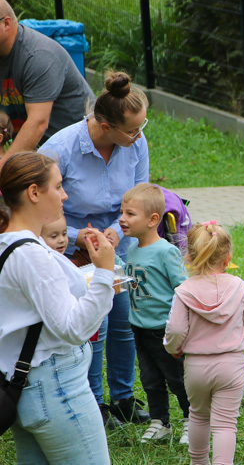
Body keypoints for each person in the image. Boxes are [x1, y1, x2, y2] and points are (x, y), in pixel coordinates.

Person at [38, 70, 150, 426]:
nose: (139, 135)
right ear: (104, 126)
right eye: (131, 130)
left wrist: (118, 231)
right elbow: (36, 209)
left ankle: (123, 399)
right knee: (93, 326)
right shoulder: (59, 149)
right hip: (70, 248)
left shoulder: (136, 143)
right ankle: (94, 403)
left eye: (141, 126)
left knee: (123, 320)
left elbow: (141, 196)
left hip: (117, 242)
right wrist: (76, 237)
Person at [0, 152, 116, 464]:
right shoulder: (32, 255)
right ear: (34, 192)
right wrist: (104, 273)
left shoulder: (9, 243)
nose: (64, 195)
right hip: (54, 387)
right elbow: (74, 328)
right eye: (59, 186)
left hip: (21, 384)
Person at [165, 221, 244, 465]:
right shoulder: (239, 287)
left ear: (190, 257)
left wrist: (173, 347)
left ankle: (199, 462)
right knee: (226, 423)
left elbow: (176, 329)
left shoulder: (184, 291)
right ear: (228, 257)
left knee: (198, 415)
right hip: (231, 365)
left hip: (196, 366)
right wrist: (238, 337)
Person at [122, 183, 191, 443]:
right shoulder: (131, 250)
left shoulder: (166, 251)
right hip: (139, 328)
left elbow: (183, 289)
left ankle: (191, 419)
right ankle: (160, 422)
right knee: (150, 380)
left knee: (177, 379)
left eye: (130, 214)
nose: (122, 219)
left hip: (163, 330)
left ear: (153, 220)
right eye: (122, 212)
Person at [0, 0, 95, 166]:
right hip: (39, 151)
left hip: (77, 152)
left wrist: (5, 169)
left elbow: (37, 123)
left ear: (6, 24)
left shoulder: (38, 56)